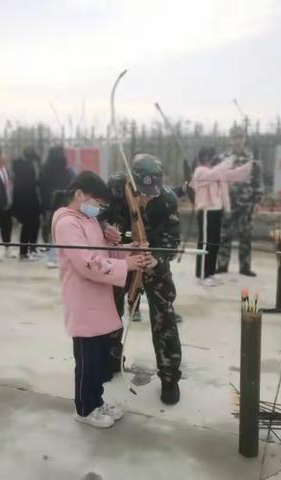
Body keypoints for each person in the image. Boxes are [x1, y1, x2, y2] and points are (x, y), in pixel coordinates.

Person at [52, 171, 153, 429]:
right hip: (82, 298)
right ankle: (84, 409)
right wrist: (126, 264)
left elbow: (104, 254)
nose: (97, 208)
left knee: (97, 358)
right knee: (86, 359)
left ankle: (96, 402)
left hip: (98, 296)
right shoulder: (67, 223)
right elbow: (87, 263)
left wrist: (130, 251)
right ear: (79, 195)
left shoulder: (89, 220)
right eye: (95, 201)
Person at [100, 154, 182, 405]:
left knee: (164, 316)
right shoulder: (115, 188)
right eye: (142, 192)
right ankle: (112, 358)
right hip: (123, 252)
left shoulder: (167, 201)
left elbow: (171, 242)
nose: (147, 197)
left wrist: (157, 257)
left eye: (151, 193)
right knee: (110, 309)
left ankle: (169, 377)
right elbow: (98, 214)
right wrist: (104, 226)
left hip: (152, 257)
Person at [190, 146, 252, 286]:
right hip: (205, 211)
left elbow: (234, 177)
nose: (214, 160)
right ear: (205, 158)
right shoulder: (200, 171)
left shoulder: (219, 172)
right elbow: (211, 175)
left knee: (214, 244)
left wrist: (248, 166)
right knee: (205, 243)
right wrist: (226, 163)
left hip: (216, 211)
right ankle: (202, 275)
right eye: (212, 157)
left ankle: (210, 273)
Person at [216, 126, 263, 277]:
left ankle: (245, 267)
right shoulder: (223, 158)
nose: (237, 141)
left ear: (244, 139)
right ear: (230, 139)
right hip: (227, 203)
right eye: (235, 137)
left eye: (240, 137)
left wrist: (257, 201)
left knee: (246, 235)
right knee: (224, 235)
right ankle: (222, 265)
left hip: (246, 203)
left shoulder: (252, 159)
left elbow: (258, 181)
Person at [40, 145, 75, 268]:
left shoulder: (44, 170)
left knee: (52, 231)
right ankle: (64, 257)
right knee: (66, 231)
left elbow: (42, 188)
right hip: (65, 204)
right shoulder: (67, 171)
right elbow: (73, 185)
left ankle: (51, 257)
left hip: (50, 204)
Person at [12, 146, 41, 261]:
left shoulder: (28, 165)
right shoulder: (25, 166)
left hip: (31, 200)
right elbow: (29, 184)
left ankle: (32, 249)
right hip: (27, 201)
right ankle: (23, 253)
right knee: (27, 227)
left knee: (34, 224)